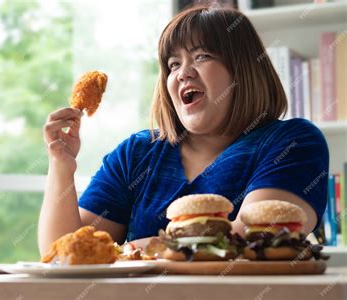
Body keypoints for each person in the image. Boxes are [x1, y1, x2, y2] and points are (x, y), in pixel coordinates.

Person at [38, 4, 329, 255]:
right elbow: (65, 251)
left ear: (243, 70)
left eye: (202, 56)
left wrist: (130, 249)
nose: (183, 72)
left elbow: (248, 240)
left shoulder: (292, 142)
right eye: (173, 63)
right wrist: (61, 166)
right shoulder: (137, 154)